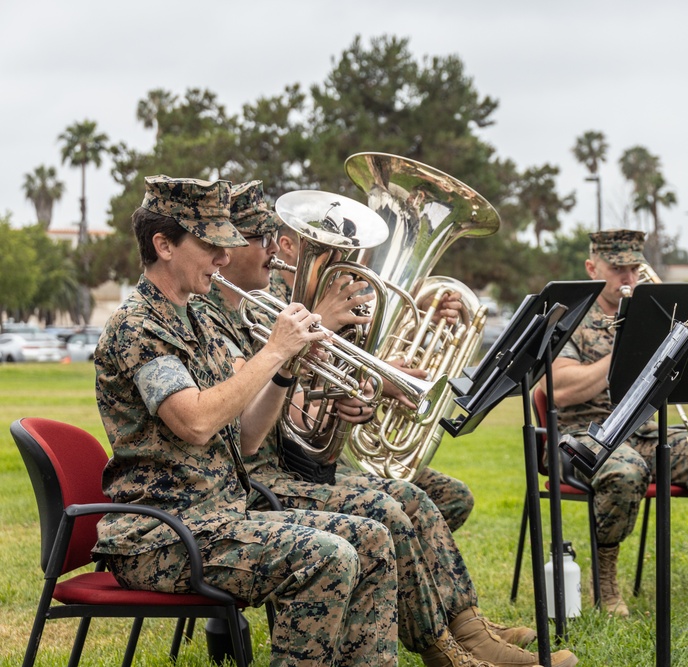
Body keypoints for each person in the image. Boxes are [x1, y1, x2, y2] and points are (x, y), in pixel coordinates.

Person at [193, 181, 576, 667]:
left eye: (270, 237)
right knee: (390, 510)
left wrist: (357, 396)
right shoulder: (230, 316)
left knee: (416, 500)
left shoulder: (261, 308)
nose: (269, 251)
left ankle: (467, 630)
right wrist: (317, 337)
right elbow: (257, 429)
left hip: (291, 470)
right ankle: (446, 648)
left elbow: (305, 415)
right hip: (259, 482)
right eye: (255, 238)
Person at [93, 175, 398, 666]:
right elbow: (194, 423)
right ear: (163, 245)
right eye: (211, 244)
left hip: (219, 519)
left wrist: (286, 369)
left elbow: (249, 440)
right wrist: (274, 350)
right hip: (161, 536)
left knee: (373, 538)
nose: (222, 257)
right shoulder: (138, 326)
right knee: (328, 556)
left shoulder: (193, 317)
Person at [551, 229, 688, 616]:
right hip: (590, 435)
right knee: (627, 471)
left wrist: (667, 339)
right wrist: (629, 348)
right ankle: (606, 583)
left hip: (648, 431)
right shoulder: (571, 321)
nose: (628, 278)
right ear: (591, 268)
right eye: (617, 269)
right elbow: (561, 391)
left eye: (634, 268)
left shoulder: (656, 318)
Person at [270, 221, 476, 532]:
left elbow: (365, 364)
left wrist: (421, 320)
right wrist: (376, 377)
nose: (348, 259)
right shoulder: (268, 300)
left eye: (351, 249)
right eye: (336, 249)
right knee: (398, 506)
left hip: (329, 456)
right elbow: (283, 396)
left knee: (454, 496)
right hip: (292, 462)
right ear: (288, 246)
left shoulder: (338, 298)